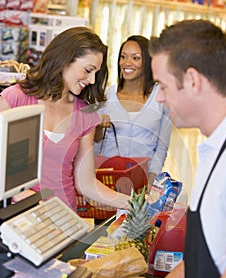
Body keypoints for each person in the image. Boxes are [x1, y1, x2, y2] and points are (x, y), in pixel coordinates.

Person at [65, 19, 226, 278]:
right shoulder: (214, 149)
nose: (158, 99)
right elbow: (202, 264)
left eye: (163, 86)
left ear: (194, 81)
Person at [0, 26, 130, 212]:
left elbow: (86, 183)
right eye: (88, 70)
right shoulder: (16, 99)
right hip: (18, 219)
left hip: (64, 219)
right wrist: (18, 194)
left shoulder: (85, 115)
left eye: (96, 73)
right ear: (65, 60)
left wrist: (132, 204)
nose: (92, 80)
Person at [94, 35, 172, 188]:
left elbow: (161, 147)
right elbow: (96, 144)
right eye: (123, 57)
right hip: (108, 179)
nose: (127, 63)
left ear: (148, 62)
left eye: (135, 58)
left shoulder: (161, 98)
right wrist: (98, 127)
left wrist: (151, 180)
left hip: (141, 181)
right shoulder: (107, 96)